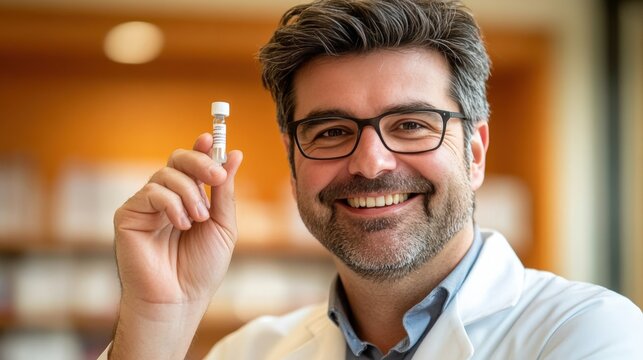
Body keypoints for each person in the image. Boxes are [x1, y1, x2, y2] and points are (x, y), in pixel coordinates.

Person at [100, 0, 643, 359]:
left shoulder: (587, 335)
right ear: (293, 163)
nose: (370, 163)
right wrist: (157, 317)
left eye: (410, 125)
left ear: (474, 153)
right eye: (332, 130)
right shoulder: (251, 351)